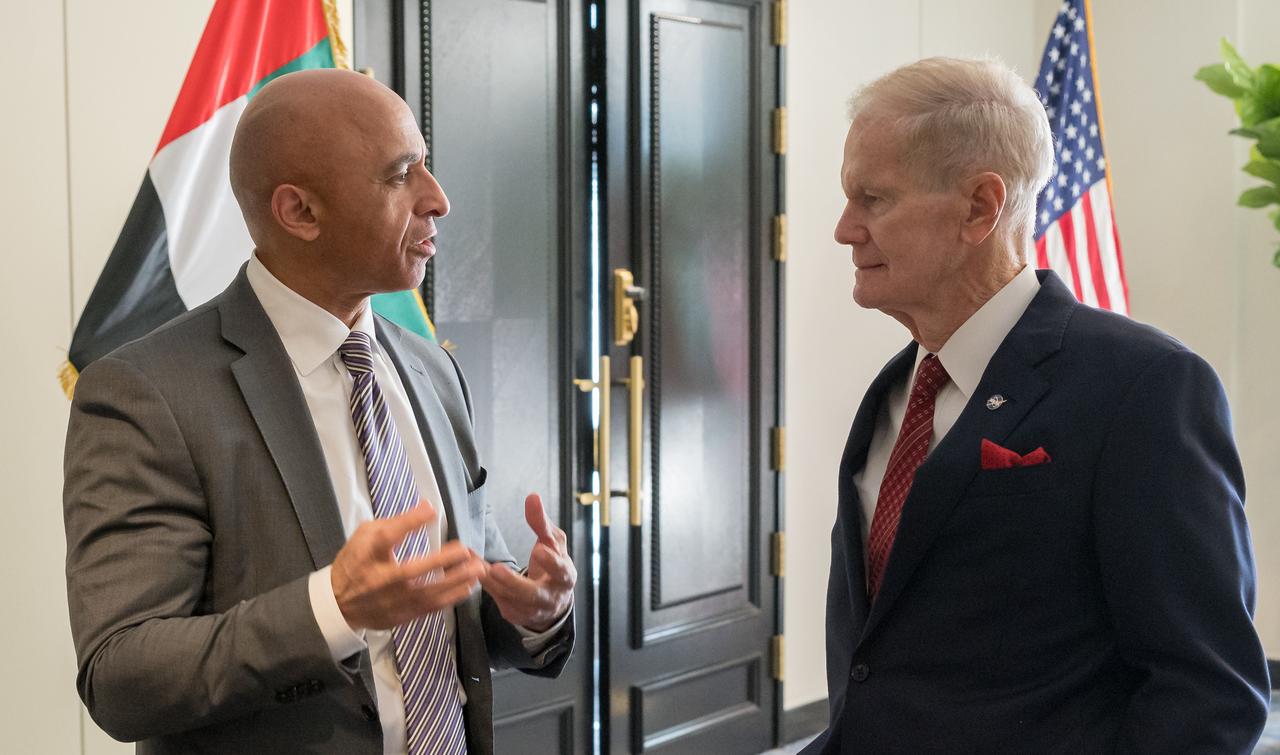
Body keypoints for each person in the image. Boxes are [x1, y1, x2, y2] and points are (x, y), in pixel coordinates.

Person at [63, 68, 575, 754]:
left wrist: (537, 611)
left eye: (426, 165)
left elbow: (468, 599)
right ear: (299, 211)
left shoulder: (432, 368)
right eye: (401, 176)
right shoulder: (145, 393)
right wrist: (330, 609)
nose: (439, 199)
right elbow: (122, 675)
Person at [804, 57, 1269, 753]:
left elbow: (1209, 692)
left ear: (979, 208)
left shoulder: (1145, 388)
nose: (845, 228)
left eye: (874, 198)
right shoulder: (894, 392)